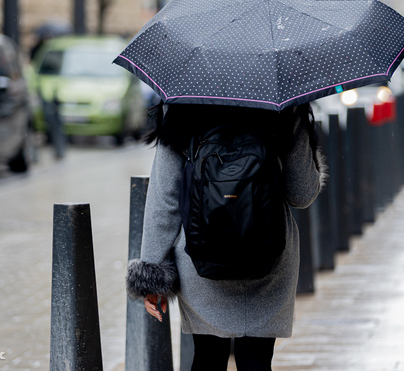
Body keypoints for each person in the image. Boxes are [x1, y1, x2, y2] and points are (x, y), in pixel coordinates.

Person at [125, 102, 326, 370]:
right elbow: (301, 194)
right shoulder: (284, 106)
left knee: (207, 357)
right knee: (257, 359)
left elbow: (164, 199)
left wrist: (152, 274)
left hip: (200, 256)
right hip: (268, 255)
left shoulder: (185, 106)